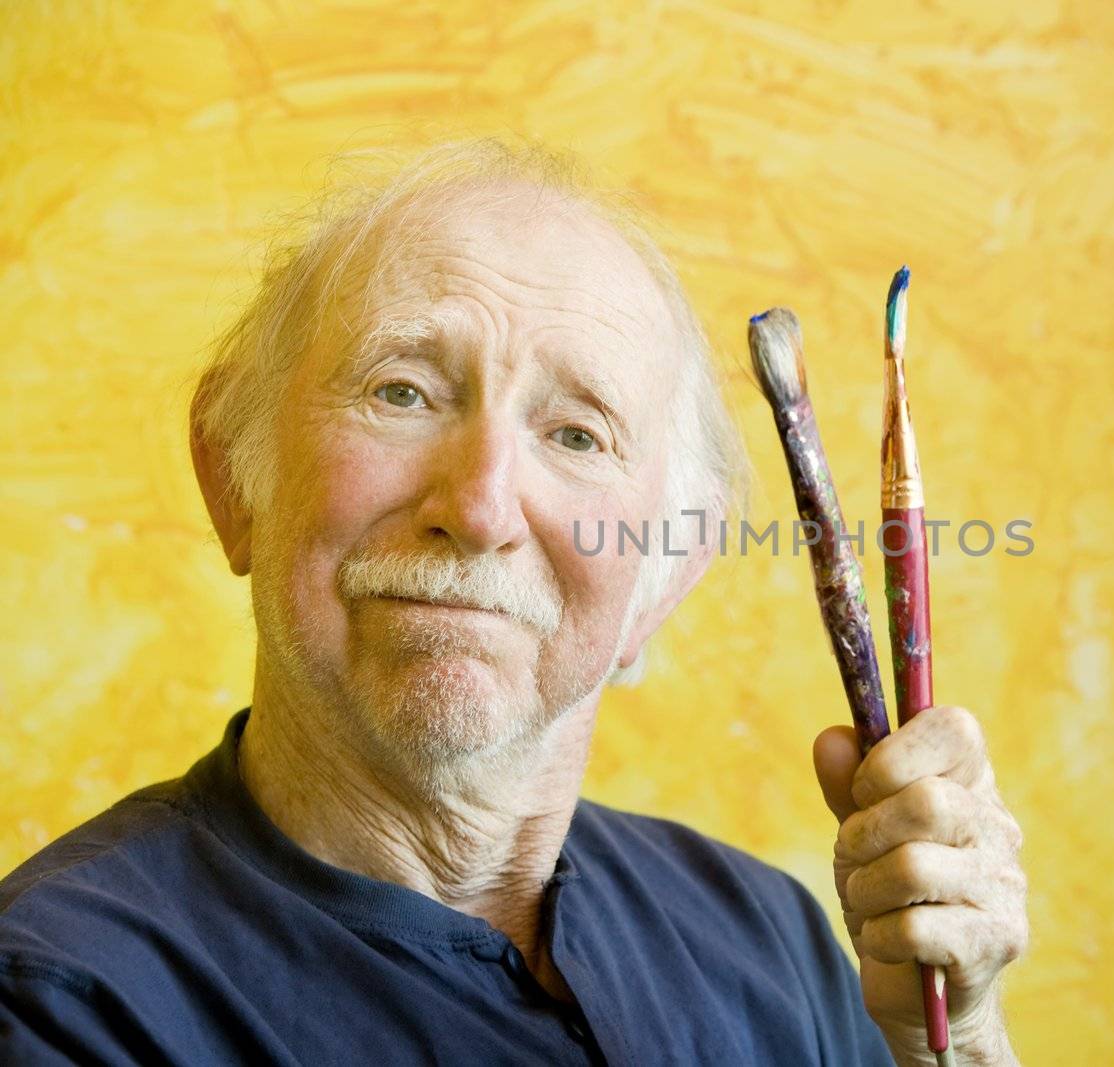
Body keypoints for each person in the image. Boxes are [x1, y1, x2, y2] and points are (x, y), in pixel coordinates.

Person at [0, 139, 1028, 1065]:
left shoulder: (773, 939)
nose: (482, 506)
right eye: (401, 391)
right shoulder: (65, 1001)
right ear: (235, 479)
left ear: (663, 576)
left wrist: (957, 1043)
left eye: (576, 433)